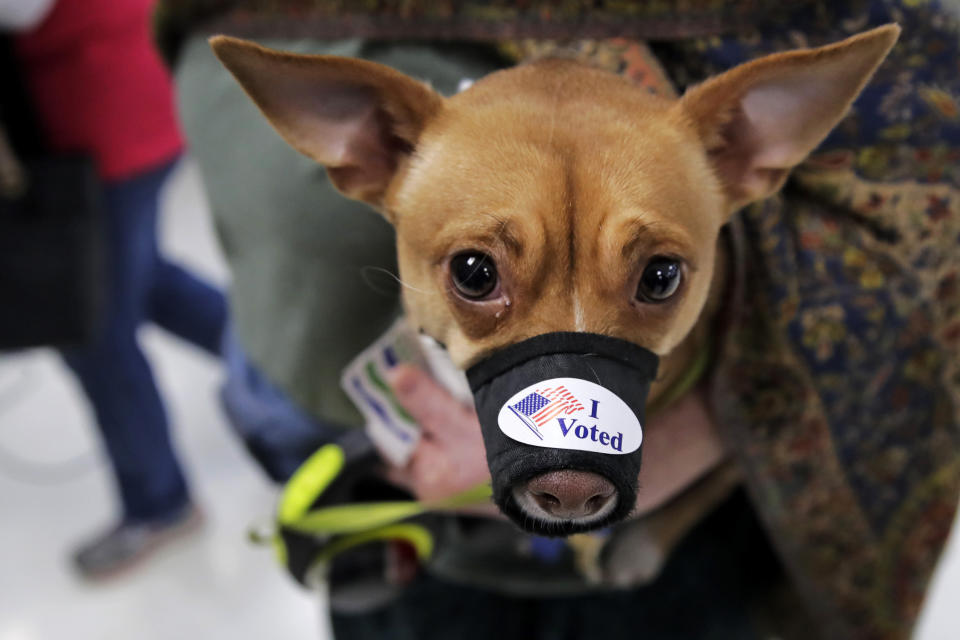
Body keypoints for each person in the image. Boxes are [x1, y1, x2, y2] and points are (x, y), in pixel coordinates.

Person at [157, 2, 960, 638]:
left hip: (700, 547)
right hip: (417, 549)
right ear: (375, 147)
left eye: (654, 277)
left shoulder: (719, 149)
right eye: (478, 276)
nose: (565, 469)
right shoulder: (396, 139)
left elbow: (927, 194)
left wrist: (694, 439)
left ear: (742, 156)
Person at [11, 0, 228, 578]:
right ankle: (276, 366)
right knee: (144, 279)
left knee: (97, 333)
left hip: (105, 124)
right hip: (128, 101)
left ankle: (160, 504)